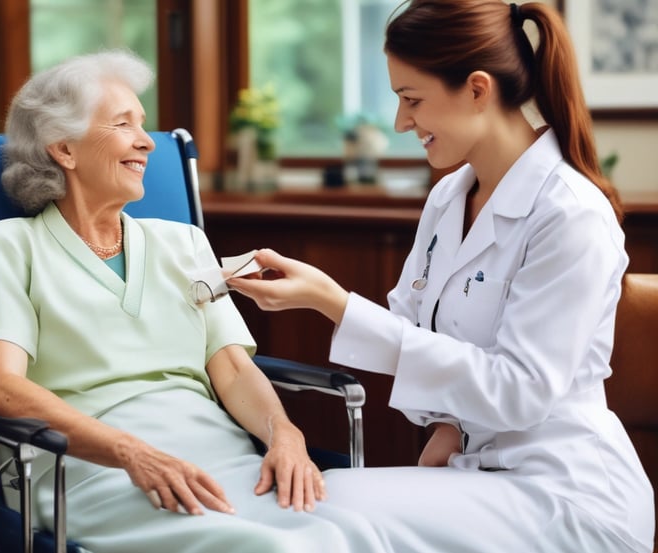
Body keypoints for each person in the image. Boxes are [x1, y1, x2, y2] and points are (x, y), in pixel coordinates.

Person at [229, 1, 655, 551]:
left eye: (412, 100)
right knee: (309, 507)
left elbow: (520, 392)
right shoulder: (449, 197)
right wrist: (450, 427)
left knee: (327, 509)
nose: (402, 122)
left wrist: (334, 302)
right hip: (477, 473)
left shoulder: (570, 213)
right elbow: (413, 331)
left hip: (567, 496)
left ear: (477, 89)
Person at [0, 50, 389, 553]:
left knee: (353, 533)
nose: (147, 142)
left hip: (224, 458)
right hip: (92, 470)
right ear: (64, 149)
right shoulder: (5, 246)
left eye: (144, 124)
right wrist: (133, 453)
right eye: (123, 124)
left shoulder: (184, 242)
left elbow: (234, 370)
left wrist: (285, 434)